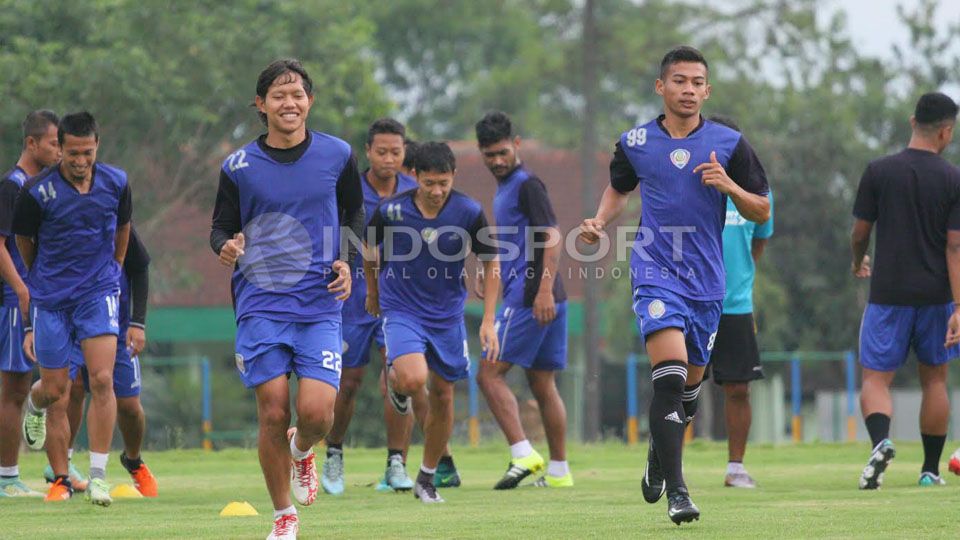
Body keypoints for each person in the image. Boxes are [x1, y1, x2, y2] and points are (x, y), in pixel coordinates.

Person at [579, 46, 770, 525]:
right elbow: (620, 188)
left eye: (697, 82)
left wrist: (731, 187)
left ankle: (657, 454)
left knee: (688, 391)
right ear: (660, 87)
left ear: (708, 90)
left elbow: (762, 209)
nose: (688, 89)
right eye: (679, 81)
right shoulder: (636, 141)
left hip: (709, 285)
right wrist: (600, 220)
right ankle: (679, 493)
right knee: (667, 375)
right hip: (655, 272)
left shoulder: (730, 143)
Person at [210, 58, 363, 540]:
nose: (289, 103)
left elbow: (355, 214)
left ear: (309, 101)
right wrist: (226, 247)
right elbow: (218, 227)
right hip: (261, 301)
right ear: (261, 104)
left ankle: (302, 450)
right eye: (278, 95)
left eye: (297, 94)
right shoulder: (237, 166)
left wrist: (347, 262)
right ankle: (283, 518)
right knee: (273, 409)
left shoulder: (338, 154)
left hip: (319, 303)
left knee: (316, 415)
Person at [322, 118, 459, 494]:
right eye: (381, 152)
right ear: (368, 152)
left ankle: (396, 462)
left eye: (395, 152)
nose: (388, 159)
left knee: (399, 381)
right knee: (347, 382)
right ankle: (333, 454)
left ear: (405, 155)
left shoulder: (418, 191)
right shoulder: (349, 190)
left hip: (401, 300)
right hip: (353, 298)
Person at [364, 141, 500, 503]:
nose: (437, 191)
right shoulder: (390, 210)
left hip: (447, 315)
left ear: (453, 176)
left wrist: (488, 320)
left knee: (443, 394)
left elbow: (491, 262)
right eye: (429, 183)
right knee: (412, 378)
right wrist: (372, 294)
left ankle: (426, 477)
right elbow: (368, 249)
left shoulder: (469, 211)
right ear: (415, 177)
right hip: (401, 309)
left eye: (444, 182)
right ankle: (398, 381)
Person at [15, 111, 133, 506]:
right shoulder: (36, 192)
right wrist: (41, 282)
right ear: (60, 149)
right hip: (51, 300)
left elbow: (123, 228)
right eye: (72, 154)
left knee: (101, 380)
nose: (81, 161)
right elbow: (24, 243)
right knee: (56, 388)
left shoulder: (116, 183)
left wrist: (113, 269)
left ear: (96, 146)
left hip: (98, 294)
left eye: (87, 153)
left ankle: (98, 475)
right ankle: (35, 404)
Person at [851, 91, 960, 489]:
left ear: (913, 121)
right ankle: (930, 471)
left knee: (876, 379)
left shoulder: (879, 171)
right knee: (935, 380)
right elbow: (955, 245)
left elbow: (860, 232)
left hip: (888, 294)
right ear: (946, 132)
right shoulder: (953, 178)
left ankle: (881, 443)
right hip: (937, 296)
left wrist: (857, 259)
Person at [473, 111, 572, 489]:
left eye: (501, 152)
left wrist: (543, 290)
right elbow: (513, 245)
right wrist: (490, 281)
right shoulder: (508, 185)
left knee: (488, 373)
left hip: (533, 298)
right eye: (488, 154)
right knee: (542, 384)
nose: (496, 160)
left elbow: (553, 236)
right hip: (541, 296)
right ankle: (560, 472)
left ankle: (523, 454)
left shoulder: (528, 185)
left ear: (516, 145)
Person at [43, 227, 157, 497]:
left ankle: (133, 460)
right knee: (64, 392)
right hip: (70, 325)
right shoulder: (58, 221)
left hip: (115, 327)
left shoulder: (115, 224)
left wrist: (138, 323)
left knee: (129, 406)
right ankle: (62, 475)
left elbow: (140, 267)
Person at [705, 115, 774, 488]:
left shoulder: (757, 192)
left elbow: (759, 240)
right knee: (679, 385)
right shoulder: (691, 186)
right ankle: (669, 466)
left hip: (735, 306)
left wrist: (741, 282)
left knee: (739, 388)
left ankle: (735, 467)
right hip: (692, 302)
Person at [0, 110, 60, 498]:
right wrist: (21, 289)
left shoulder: (41, 187)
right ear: (32, 144)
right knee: (14, 390)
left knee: (31, 387)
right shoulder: (13, 186)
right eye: (54, 143)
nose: (59, 150)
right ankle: (7, 478)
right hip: (11, 302)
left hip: (35, 301)